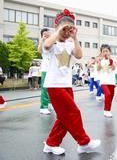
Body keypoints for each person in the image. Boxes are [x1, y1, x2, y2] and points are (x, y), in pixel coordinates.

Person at [42, 9, 100, 155]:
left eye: (70, 28)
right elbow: (47, 45)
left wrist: (75, 37)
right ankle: (84, 142)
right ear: (57, 27)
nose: (67, 31)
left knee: (63, 118)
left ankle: (51, 143)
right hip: (54, 85)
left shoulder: (69, 44)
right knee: (73, 112)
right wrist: (58, 31)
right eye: (64, 28)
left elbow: (80, 55)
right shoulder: (52, 43)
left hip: (67, 85)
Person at [97, 44, 116, 118]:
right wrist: (99, 61)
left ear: (110, 52)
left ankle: (108, 110)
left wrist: (110, 59)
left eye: (106, 51)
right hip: (104, 81)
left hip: (111, 81)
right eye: (103, 51)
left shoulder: (112, 60)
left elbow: (113, 68)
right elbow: (98, 69)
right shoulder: (100, 61)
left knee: (111, 96)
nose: (105, 53)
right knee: (107, 94)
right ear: (101, 53)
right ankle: (106, 111)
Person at [37, 28, 52, 115]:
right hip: (45, 69)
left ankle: (50, 103)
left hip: (53, 70)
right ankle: (43, 107)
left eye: (48, 35)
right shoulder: (42, 44)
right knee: (45, 88)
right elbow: (39, 51)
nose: (47, 36)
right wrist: (41, 41)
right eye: (45, 35)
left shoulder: (53, 43)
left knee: (53, 88)